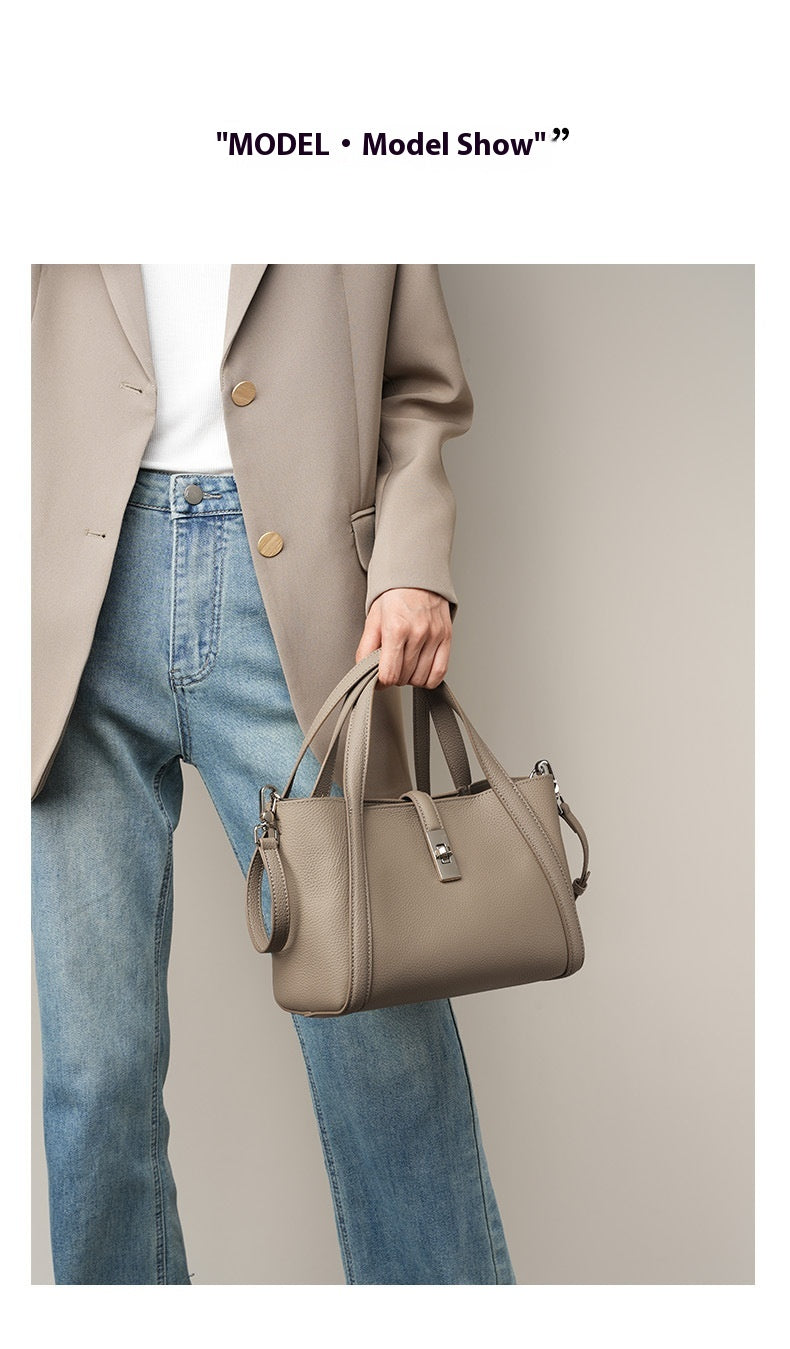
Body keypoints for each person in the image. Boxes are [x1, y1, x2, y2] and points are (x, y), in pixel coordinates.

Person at [30, 263, 516, 1285]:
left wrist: (415, 553)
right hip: (69, 603)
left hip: (299, 606)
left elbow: (419, 385)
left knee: (381, 1044)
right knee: (93, 1077)